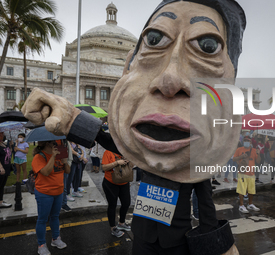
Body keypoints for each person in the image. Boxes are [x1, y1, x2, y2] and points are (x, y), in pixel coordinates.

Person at [22, 0, 247, 254]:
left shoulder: (195, 161)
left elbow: (206, 205)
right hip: (143, 238)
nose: (170, 81)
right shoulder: (144, 151)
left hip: (178, 242)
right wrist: (73, 119)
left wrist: (218, 245)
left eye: (206, 46)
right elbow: (113, 141)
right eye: (154, 40)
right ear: (130, 63)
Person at [31, 140, 70, 255]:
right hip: (44, 193)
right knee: (42, 219)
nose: (57, 145)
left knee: (55, 216)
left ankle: (55, 239)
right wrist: (53, 156)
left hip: (58, 192)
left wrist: (65, 162)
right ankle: (41, 244)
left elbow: (67, 171)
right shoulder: (38, 157)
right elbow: (46, 172)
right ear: (47, 144)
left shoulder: (60, 155)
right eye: (54, 143)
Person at [101, 150, 131, 237]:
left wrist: (129, 160)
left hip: (124, 182)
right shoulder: (108, 152)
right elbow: (104, 167)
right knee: (112, 205)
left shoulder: (126, 152)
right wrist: (117, 162)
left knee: (126, 203)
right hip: (110, 183)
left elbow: (132, 166)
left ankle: (121, 223)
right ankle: (113, 227)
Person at [233, 136, 261, 213]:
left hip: (251, 173)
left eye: (248, 140)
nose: (246, 141)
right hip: (242, 173)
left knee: (251, 190)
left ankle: (250, 204)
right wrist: (241, 157)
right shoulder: (239, 149)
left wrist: (258, 154)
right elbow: (234, 159)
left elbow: (258, 162)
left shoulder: (255, 150)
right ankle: (241, 205)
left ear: (251, 142)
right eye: (245, 140)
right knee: (242, 190)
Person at [0, 132, 12, 209]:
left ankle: (0, 201)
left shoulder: (3, 144)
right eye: (1, 134)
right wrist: (0, 167)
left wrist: (10, 146)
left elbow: (8, 153)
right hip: (2, 168)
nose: (3, 135)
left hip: (6, 167)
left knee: (2, 185)